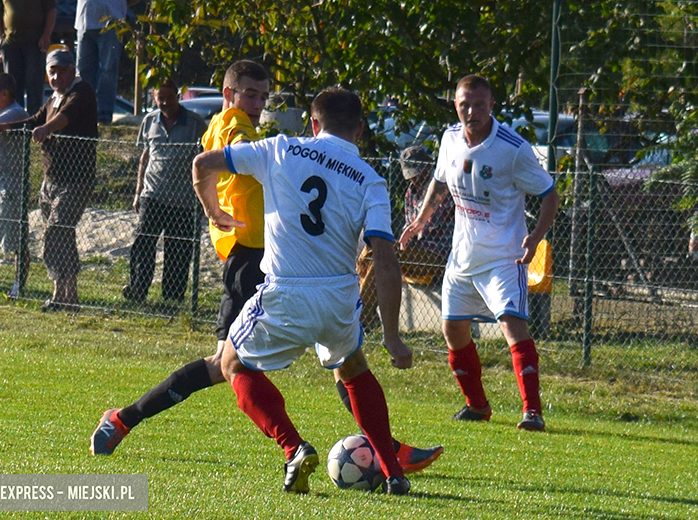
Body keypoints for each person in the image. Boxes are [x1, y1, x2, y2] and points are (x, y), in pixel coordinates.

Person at [91, 62, 442, 478]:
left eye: (263, 95)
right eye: (249, 95)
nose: (257, 104)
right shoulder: (236, 127)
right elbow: (213, 157)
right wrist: (214, 211)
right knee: (226, 364)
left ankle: (384, 452)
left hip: (286, 262)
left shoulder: (275, 144)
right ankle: (125, 419)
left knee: (335, 362)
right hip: (253, 261)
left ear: (314, 122)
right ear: (228, 95)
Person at [193, 86, 412, 494]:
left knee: (232, 365)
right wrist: (393, 335)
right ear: (360, 130)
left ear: (313, 123)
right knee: (353, 368)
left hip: (286, 292)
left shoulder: (280, 149)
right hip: (338, 297)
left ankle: (294, 448)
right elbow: (384, 256)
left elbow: (203, 163)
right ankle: (393, 473)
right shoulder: (371, 180)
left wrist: (213, 210)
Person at [399, 75, 560, 431]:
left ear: (491, 106)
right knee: (452, 331)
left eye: (479, 104)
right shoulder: (450, 139)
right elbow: (440, 182)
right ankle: (477, 405)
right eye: (464, 104)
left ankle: (532, 411)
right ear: (455, 104)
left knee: (511, 327)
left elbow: (550, 194)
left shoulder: (511, 148)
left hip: (504, 256)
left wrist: (534, 238)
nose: (471, 111)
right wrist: (420, 220)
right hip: (462, 257)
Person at [0, 48, 98, 311]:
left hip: (74, 179)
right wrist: (1, 127)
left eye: (61, 70)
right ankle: (65, 296)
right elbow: (34, 120)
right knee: (62, 236)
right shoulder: (54, 98)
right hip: (51, 180)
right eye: (52, 71)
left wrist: (47, 128)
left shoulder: (81, 92)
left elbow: (65, 117)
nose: (56, 75)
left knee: (57, 232)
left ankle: (66, 296)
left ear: (72, 69)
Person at [122, 78, 207, 303]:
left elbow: (205, 161)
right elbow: (145, 157)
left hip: (184, 200)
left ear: (178, 96)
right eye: (161, 98)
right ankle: (137, 289)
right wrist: (138, 192)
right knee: (143, 244)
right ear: (154, 97)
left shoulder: (195, 123)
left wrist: (203, 200)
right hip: (153, 195)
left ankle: (172, 297)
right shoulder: (149, 121)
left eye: (170, 97)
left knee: (178, 251)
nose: (166, 103)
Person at [357, 145, 454, 329]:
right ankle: (363, 310)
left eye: (419, 174)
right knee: (369, 251)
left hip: (437, 254)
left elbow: (427, 226)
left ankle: (364, 312)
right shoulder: (410, 192)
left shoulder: (441, 190)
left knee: (389, 253)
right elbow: (408, 227)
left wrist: (410, 236)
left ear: (428, 168)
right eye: (412, 176)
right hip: (415, 251)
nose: (416, 180)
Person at [0, 72, 29, 294]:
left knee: (15, 243)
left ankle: (17, 286)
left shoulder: (16, 113)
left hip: (9, 187)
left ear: (4, 93)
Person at [74, 0, 140, 125]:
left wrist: (118, 6)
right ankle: (83, 114)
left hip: (112, 23)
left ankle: (103, 115)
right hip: (84, 21)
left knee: (107, 70)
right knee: (82, 72)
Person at [0, 0, 56, 115]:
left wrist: (46, 35)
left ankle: (34, 123)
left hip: (35, 44)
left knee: (34, 85)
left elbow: (51, 10)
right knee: (12, 87)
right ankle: (15, 122)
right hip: (11, 44)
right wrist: (0, 38)